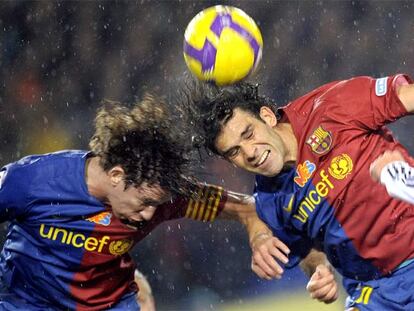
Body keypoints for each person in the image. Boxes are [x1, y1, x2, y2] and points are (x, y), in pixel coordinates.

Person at [0, 95, 292, 310]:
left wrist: (259, 234)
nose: (150, 214)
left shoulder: (161, 194)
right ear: (116, 175)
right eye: (144, 203)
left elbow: (245, 207)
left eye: (158, 203)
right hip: (24, 302)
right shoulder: (32, 181)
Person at [187, 73, 414, 310]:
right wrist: (319, 271)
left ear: (267, 117)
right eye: (234, 152)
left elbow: (407, 98)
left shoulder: (333, 105)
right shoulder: (269, 202)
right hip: (375, 291)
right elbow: (307, 252)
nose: (250, 152)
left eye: (249, 134)